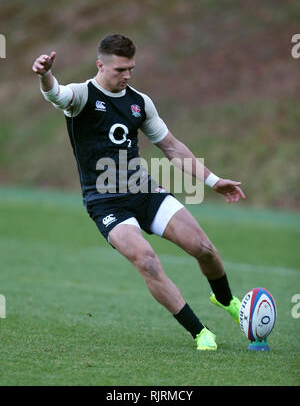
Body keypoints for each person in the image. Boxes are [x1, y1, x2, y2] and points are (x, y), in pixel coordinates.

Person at [32, 34, 246, 351]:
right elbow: (56, 95)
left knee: (203, 247)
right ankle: (200, 332)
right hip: (105, 202)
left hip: (143, 191)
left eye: (131, 68)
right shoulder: (82, 96)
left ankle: (225, 299)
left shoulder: (139, 102)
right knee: (147, 261)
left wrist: (213, 181)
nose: (127, 75)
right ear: (100, 64)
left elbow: (171, 147)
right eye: (120, 69)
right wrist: (45, 74)